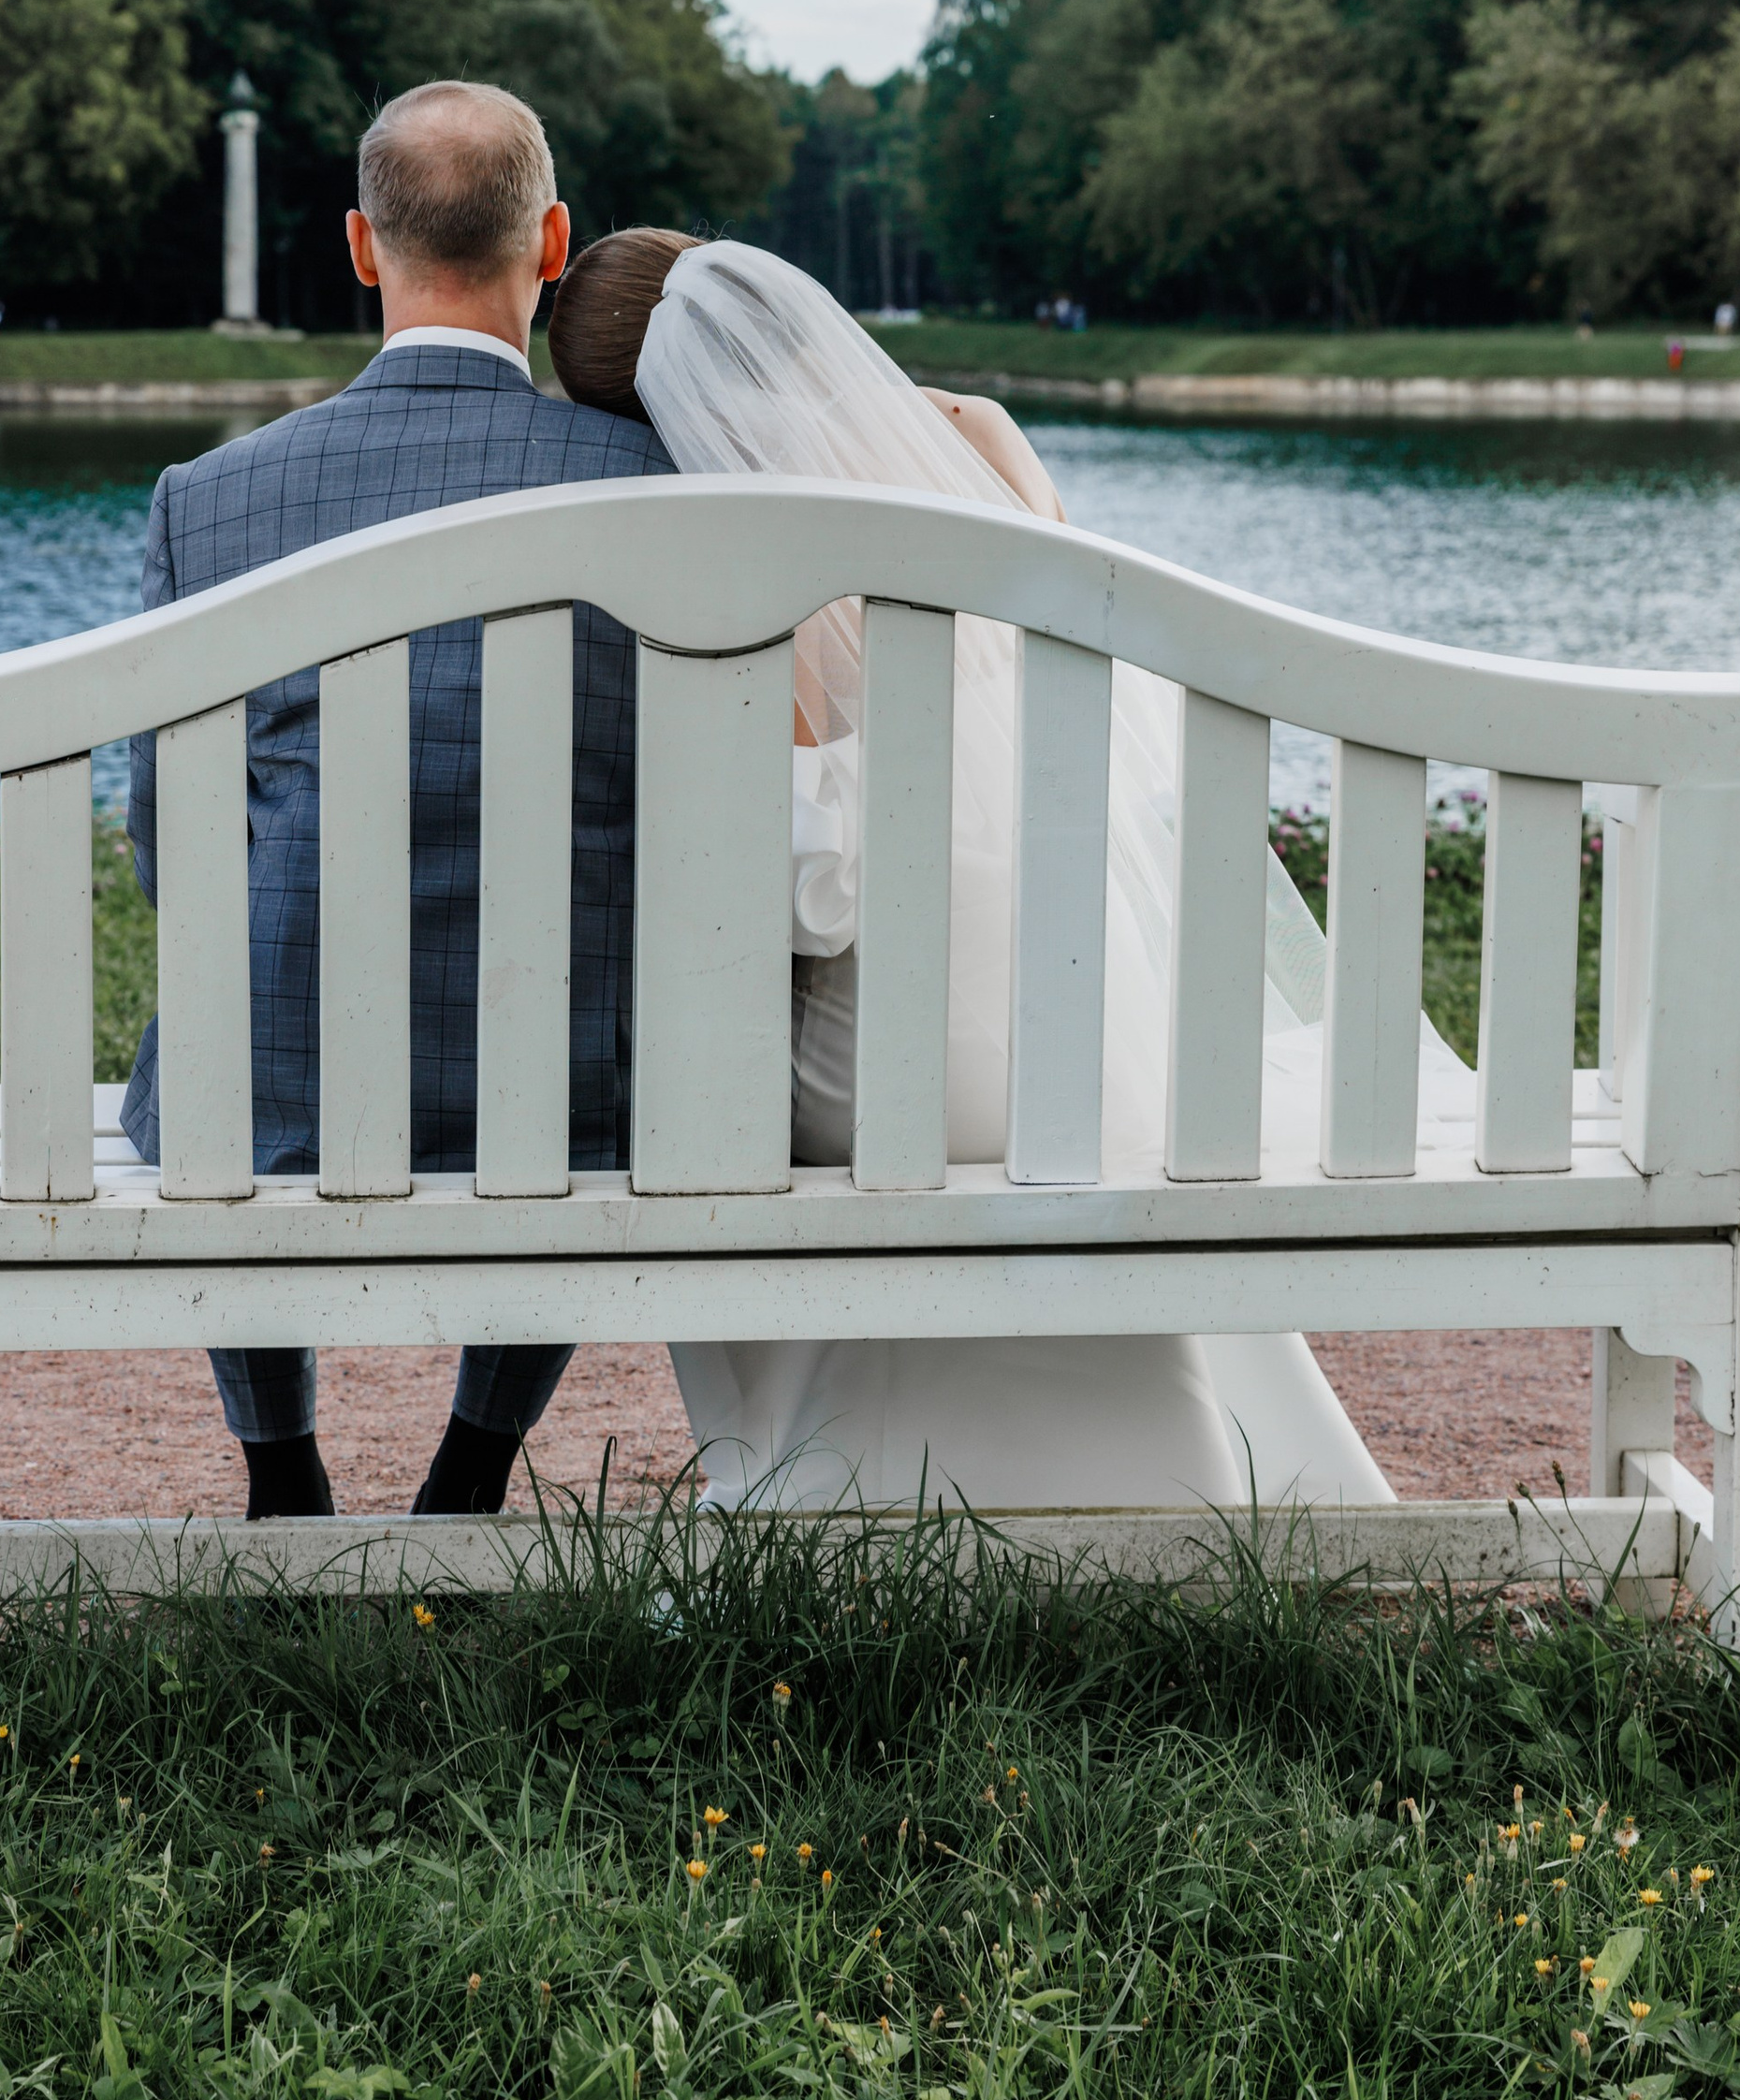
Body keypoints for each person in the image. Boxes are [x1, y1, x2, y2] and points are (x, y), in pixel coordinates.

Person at [547, 229, 1398, 1517]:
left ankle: (802, 1473)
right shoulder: (981, 441)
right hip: (1096, 1033)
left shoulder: (749, 568)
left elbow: (809, 896)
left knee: (688, 1071)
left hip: (897, 1087)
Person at [119, 84, 673, 1518]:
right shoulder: (661, 484)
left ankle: (282, 1466)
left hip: (276, 1100)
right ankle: (473, 1469)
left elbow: (169, 852)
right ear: (551, 242)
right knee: (567, 1006)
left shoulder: (211, 499)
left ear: (363, 248)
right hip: (570, 1101)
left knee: (231, 1015)